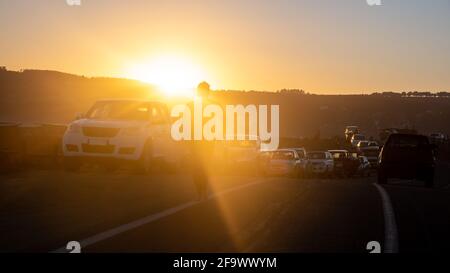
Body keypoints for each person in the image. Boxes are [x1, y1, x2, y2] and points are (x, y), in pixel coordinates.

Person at [189, 81, 215, 201]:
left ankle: (202, 190)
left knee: (203, 166)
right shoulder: (190, 105)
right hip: (196, 141)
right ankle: (201, 190)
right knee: (197, 167)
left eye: (206, 90)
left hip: (207, 141)